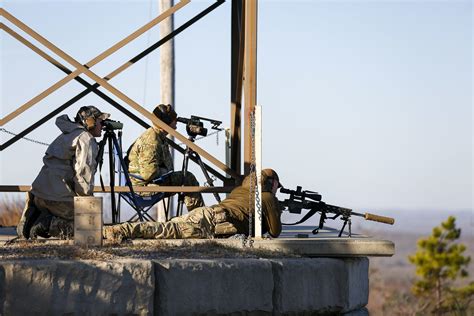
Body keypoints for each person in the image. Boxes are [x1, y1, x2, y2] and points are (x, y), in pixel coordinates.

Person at [103, 168, 283, 240]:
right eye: (276, 185)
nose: (276, 189)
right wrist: (276, 210)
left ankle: (107, 230)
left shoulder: (240, 191)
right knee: (164, 231)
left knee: (165, 227)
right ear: (270, 183)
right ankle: (121, 230)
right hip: (211, 222)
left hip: (206, 213)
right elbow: (275, 232)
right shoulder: (267, 198)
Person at [17, 106, 110, 239]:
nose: (102, 126)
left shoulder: (67, 134)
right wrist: (87, 204)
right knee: (89, 228)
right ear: (91, 122)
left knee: (87, 222)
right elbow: (83, 174)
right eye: (101, 122)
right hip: (56, 198)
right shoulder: (85, 138)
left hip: (38, 195)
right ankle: (46, 224)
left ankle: (35, 216)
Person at [126, 103, 204, 211]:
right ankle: (199, 217)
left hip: (148, 184)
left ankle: (198, 215)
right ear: (166, 122)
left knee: (186, 177)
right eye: (173, 119)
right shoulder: (152, 141)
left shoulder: (158, 136)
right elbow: (148, 174)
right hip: (141, 190)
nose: (176, 121)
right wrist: (165, 172)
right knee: (188, 178)